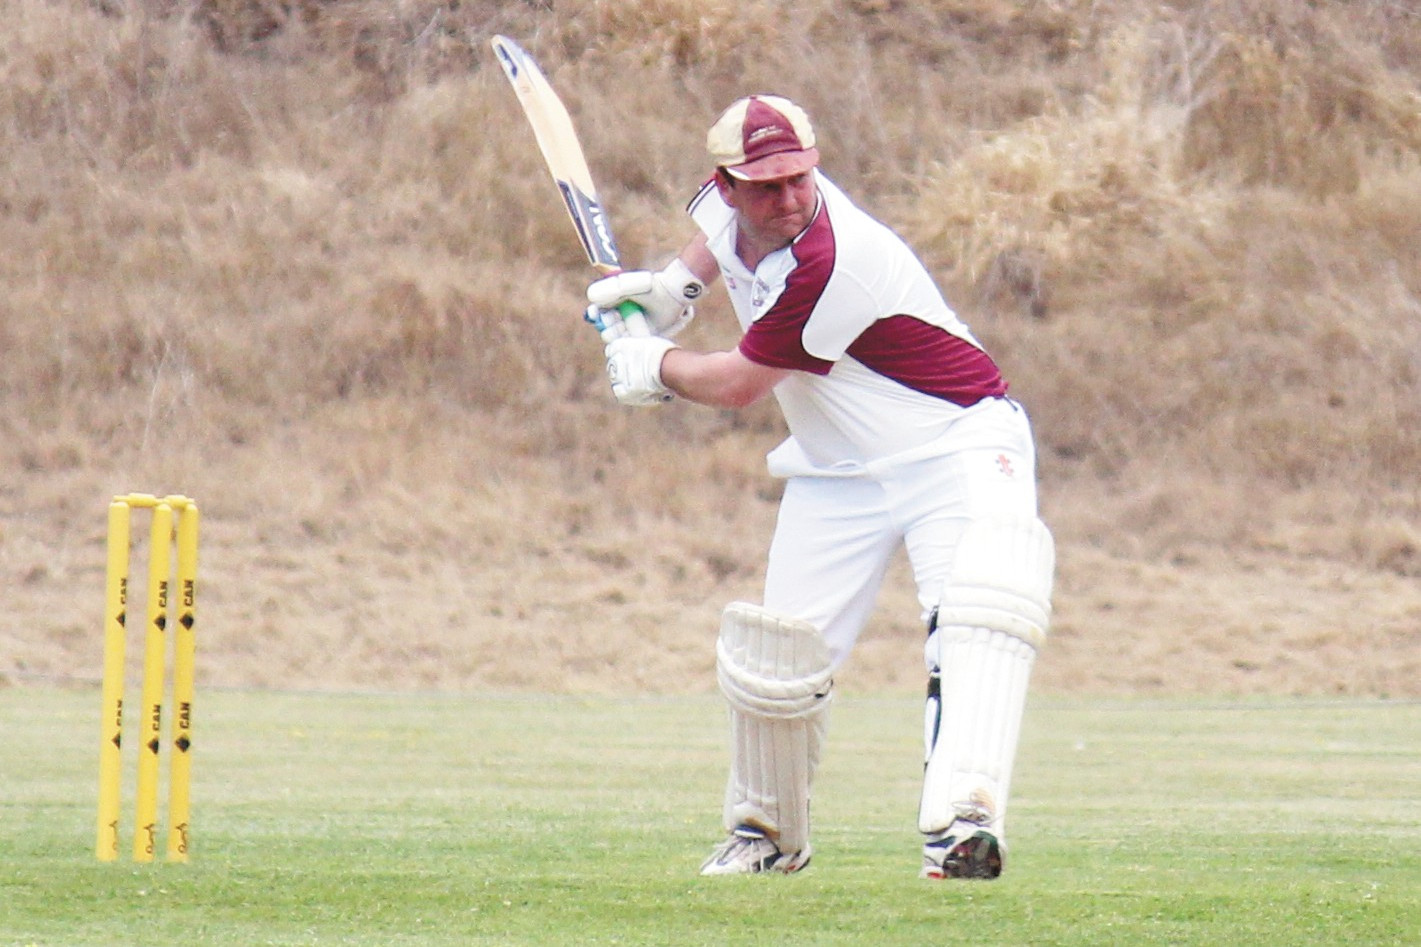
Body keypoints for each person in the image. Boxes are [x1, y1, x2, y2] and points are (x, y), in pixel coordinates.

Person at [587, 94, 1055, 879]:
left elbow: (737, 383)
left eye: (798, 178)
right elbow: (713, 238)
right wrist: (674, 288)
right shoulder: (727, 208)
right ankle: (767, 839)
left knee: (976, 619)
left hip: (954, 440)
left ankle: (963, 828)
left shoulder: (833, 262)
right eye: (762, 185)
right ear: (727, 184)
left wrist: (651, 364)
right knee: (775, 661)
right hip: (839, 463)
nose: (786, 198)